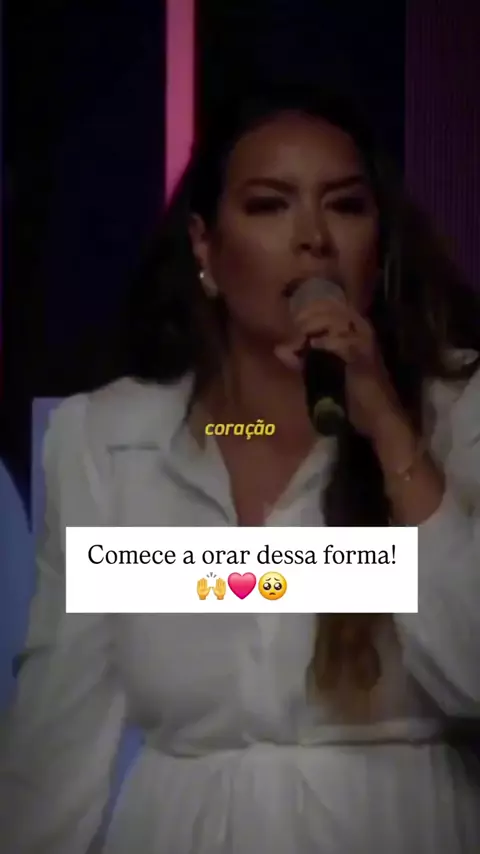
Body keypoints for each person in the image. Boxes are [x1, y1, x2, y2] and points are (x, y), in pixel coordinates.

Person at [1, 83, 480, 854]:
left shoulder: (458, 412)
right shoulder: (109, 439)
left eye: (345, 206)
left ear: (380, 242)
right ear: (205, 247)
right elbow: (60, 727)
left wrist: (391, 431)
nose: (313, 239)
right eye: (269, 206)